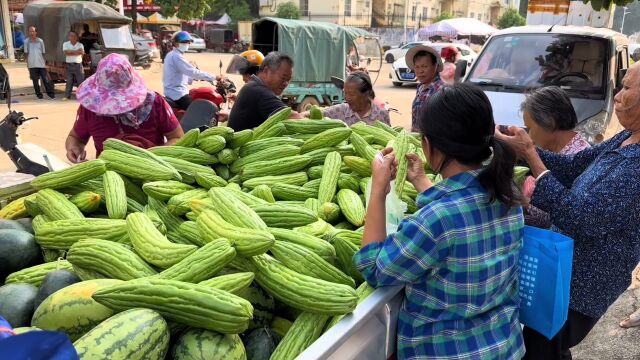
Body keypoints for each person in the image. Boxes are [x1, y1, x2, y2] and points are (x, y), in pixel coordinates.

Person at [354, 83, 525, 359]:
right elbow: (461, 213)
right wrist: (421, 181)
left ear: (428, 146)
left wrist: (377, 191)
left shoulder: (433, 221)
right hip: (502, 346)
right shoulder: (508, 195)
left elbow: (375, 269)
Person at [495, 62, 640, 360]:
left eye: (626, 88)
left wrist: (532, 155)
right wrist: (518, 149)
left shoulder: (636, 165)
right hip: (561, 270)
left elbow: (582, 217)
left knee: (542, 348)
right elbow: (575, 166)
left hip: (584, 285)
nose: (617, 96)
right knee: (548, 348)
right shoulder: (625, 138)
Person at [65, 53, 183, 162]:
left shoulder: (155, 103)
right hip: (109, 174)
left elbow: (177, 138)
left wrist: (150, 158)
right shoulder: (89, 108)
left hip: (152, 174)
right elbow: (75, 137)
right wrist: (74, 148)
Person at [519, 87, 590, 228]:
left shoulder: (579, 159)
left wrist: (522, 203)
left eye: (530, 128)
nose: (529, 135)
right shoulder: (560, 152)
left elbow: (564, 216)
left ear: (550, 122)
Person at [227, 51, 302, 131]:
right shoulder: (259, 91)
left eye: (288, 80)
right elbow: (295, 118)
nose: (286, 83)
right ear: (266, 71)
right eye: (283, 78)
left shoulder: (253, 87)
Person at [303, 71, 389, 125]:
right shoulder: (341, 111)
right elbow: (319, 112)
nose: (347, 98)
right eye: (345, 93)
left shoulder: (382, 115)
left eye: (351, 94)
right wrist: (300, 115)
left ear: (366, 94)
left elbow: (390, 142)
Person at [163, 31, 218, 111]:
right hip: (178, 94)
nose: (187, 44)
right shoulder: (176, 56)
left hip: (172, 92)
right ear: (176, 43)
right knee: (197, 114)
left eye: (189, 42)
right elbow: (193, 72)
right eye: (184, 42)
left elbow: (180, 75)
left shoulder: (171, 55)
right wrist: (215, 77)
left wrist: (194, 78)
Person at [406, 45, 446, 131]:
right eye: (417, 67)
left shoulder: (442, 91)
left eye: (424, 66)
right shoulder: (420, 88)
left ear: (435, 66)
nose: (420, 71)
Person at [24, 26, 55, 99]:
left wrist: (45, 63)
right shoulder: (26, 41)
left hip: (41, 64)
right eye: (30, 31)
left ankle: (50, 94)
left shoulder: (40, 41)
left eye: (33, 31)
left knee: (45, 79)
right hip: (32, 64)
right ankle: (39, 95)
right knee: (35, 81)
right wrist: (28, 64)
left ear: (36, 32)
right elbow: (26, 53)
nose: (31, 33)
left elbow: (43, 53)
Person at [62, 30, 85, 100]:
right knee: (69, 81)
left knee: (80, 81)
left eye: (74, 36)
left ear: (77, 37)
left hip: (78, 65)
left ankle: (81, 96)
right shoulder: (65, 44)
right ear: (69, 37)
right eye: (71, 36)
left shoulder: (80, 45)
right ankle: (67, 96)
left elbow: (81, 52)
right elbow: (66, 52)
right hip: (69, 65)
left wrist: (71, 51)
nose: (73, 37)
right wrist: (76, 52)